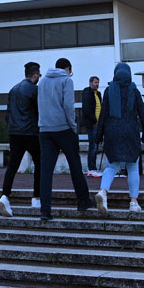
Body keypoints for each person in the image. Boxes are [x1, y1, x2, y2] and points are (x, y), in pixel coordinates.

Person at [37, 57, 93, 220]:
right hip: (64, 129)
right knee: (75, 166)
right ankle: (83, 201)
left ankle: (45, 210)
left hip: (45, 130)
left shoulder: (42, 82)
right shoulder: (66, 81)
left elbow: (40, 105)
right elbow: (69, 106)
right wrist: (73, 126)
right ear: (68, 68)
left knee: (46, 171)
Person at [93, 62, 144, 214]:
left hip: (112, 132)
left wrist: (98, 136)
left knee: (112, 166)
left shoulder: (108, 91)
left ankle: (103, 192)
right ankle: (133, 202)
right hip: (131, 132)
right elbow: (143, 115)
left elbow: (103, 115)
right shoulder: (134, 91)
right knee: (132, 167)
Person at [0, 62, 43, 217]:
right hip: (30, 133)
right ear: (35, 75)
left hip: (14, 133)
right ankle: (36, 198)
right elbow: (39, 111)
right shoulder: (34, 90)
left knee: (12, 166)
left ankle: (5, 196)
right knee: (39, 163)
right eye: (39, 75)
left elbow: (7, 114)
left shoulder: (13, 89)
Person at [81, 75, 103, 177]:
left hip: (98, 124)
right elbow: (87, 110)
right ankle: (91, 168)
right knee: (93, 146)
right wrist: (94, 120)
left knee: (96, 146)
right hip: (92, 124)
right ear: (90, 83)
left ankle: (93, 168)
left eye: (98, 82)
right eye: (95, 82)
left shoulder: (98, 94)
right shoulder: (87, 93)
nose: (97, 84)